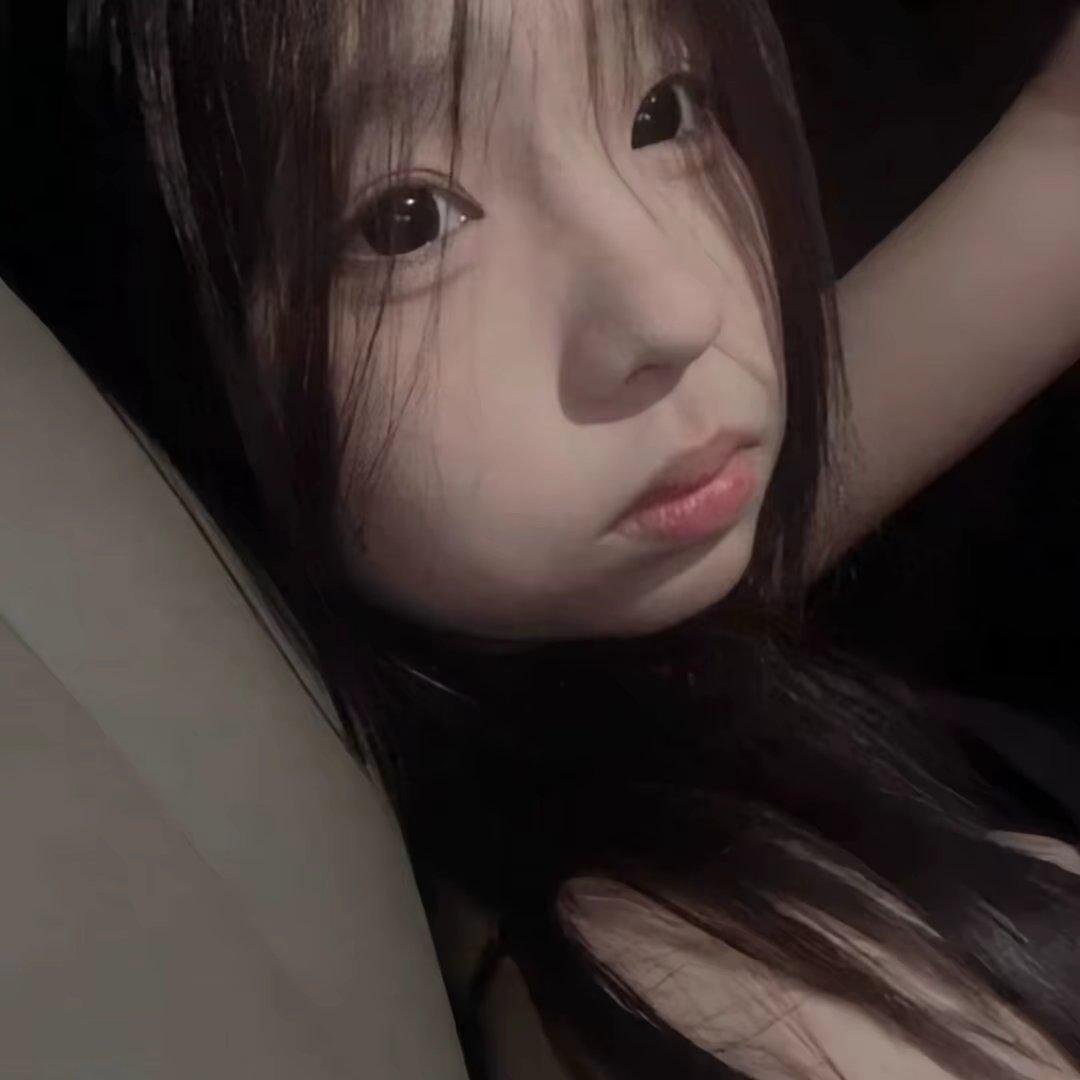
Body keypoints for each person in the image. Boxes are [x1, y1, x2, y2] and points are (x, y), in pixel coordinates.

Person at [63, 1, 1080, 1077]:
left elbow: (1057, 170)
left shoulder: (595, 646)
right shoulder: (695, 975)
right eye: (408, 221)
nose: (675, 308)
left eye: (665, 113)